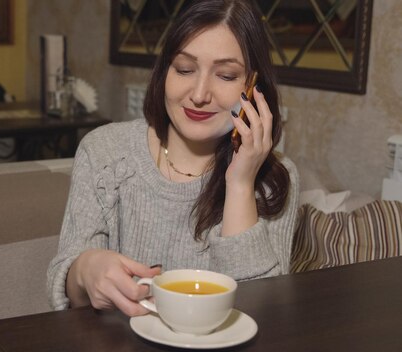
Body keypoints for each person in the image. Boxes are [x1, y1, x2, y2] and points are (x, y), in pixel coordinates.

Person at [47, 0, 300, 317]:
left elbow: (261, 313)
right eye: (184, 69)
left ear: (252, 89)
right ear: (164, 70)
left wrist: (240, 184)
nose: (199, 94)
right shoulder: (104, 152)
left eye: (225, 75)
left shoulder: (273, 179)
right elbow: (70, 288)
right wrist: (85, 269)